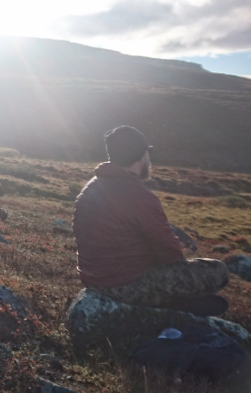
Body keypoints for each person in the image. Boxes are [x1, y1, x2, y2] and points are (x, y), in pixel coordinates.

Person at [73, 125, 229, 316]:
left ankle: (178, 302)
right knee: (217, 270)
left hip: (93, 279)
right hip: (127, 284)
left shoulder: (90, 188)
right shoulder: (139, 196)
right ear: (140, 156)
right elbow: (170, 255)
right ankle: (177, 306)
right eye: (147, 152)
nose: (149, 157)